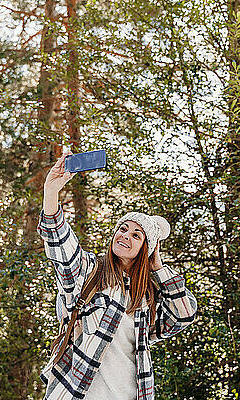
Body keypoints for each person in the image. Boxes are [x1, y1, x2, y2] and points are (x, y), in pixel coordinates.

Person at [37, 150, 197, 400]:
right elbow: (59, 243)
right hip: (79, 393)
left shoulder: (146, 296)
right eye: (123, 229)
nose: (125, 235)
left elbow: (184, 316)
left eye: (136, 235)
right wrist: (51, 192)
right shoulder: (90, 271)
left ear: (146, 248)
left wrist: (159, 268)